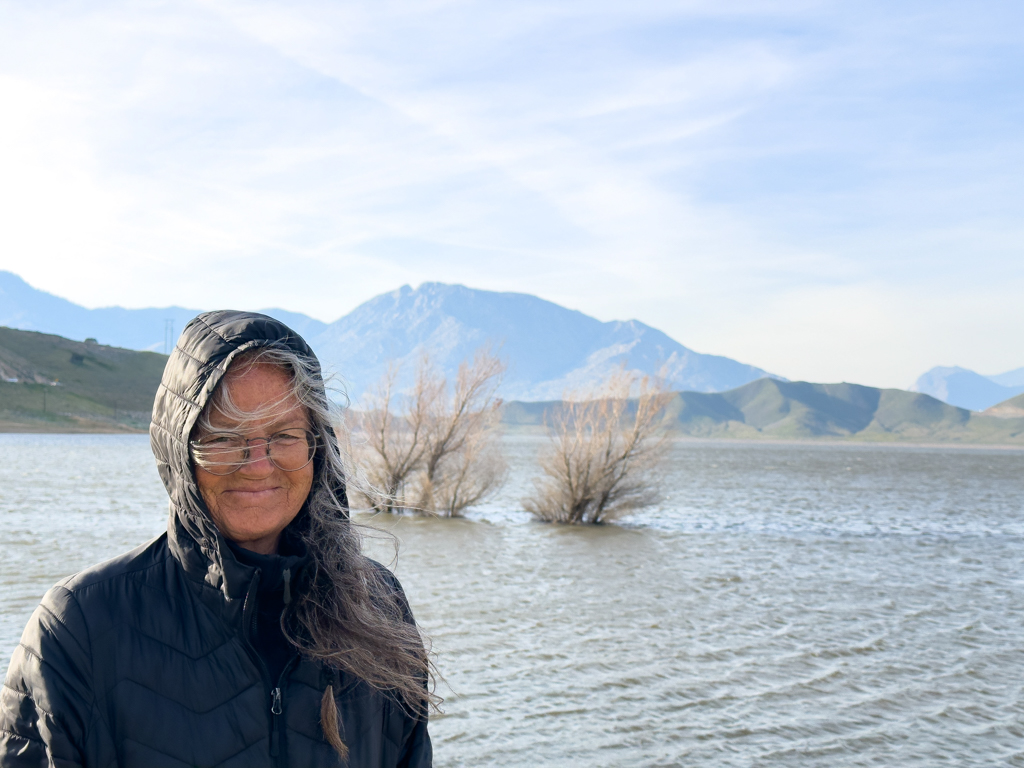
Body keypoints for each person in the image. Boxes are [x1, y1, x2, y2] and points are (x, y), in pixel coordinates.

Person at [0, 311, 433, 767]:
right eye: (226, 437)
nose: (259, 464)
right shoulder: (79, 629)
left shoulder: (378, 606)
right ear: (179, 451)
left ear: (318, 447)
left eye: (283, 435)